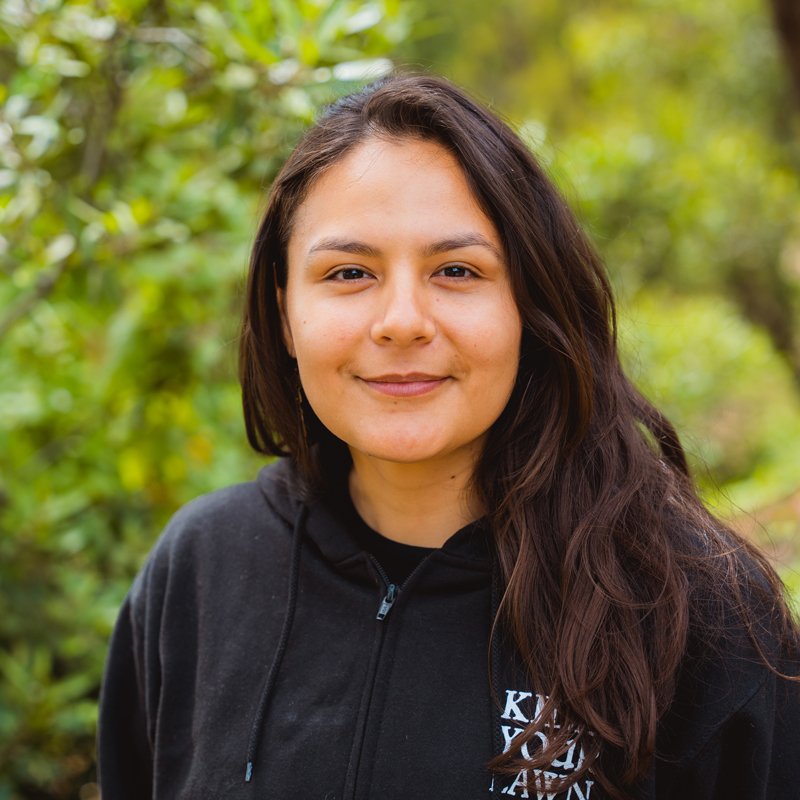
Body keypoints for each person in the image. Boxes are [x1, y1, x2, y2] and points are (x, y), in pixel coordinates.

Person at [97, 74, 800, 799]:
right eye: (348, 272)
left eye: (457, 270)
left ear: (531, 302)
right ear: (283, 314)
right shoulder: (201, 572)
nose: (402, 320)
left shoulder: (698, 615)